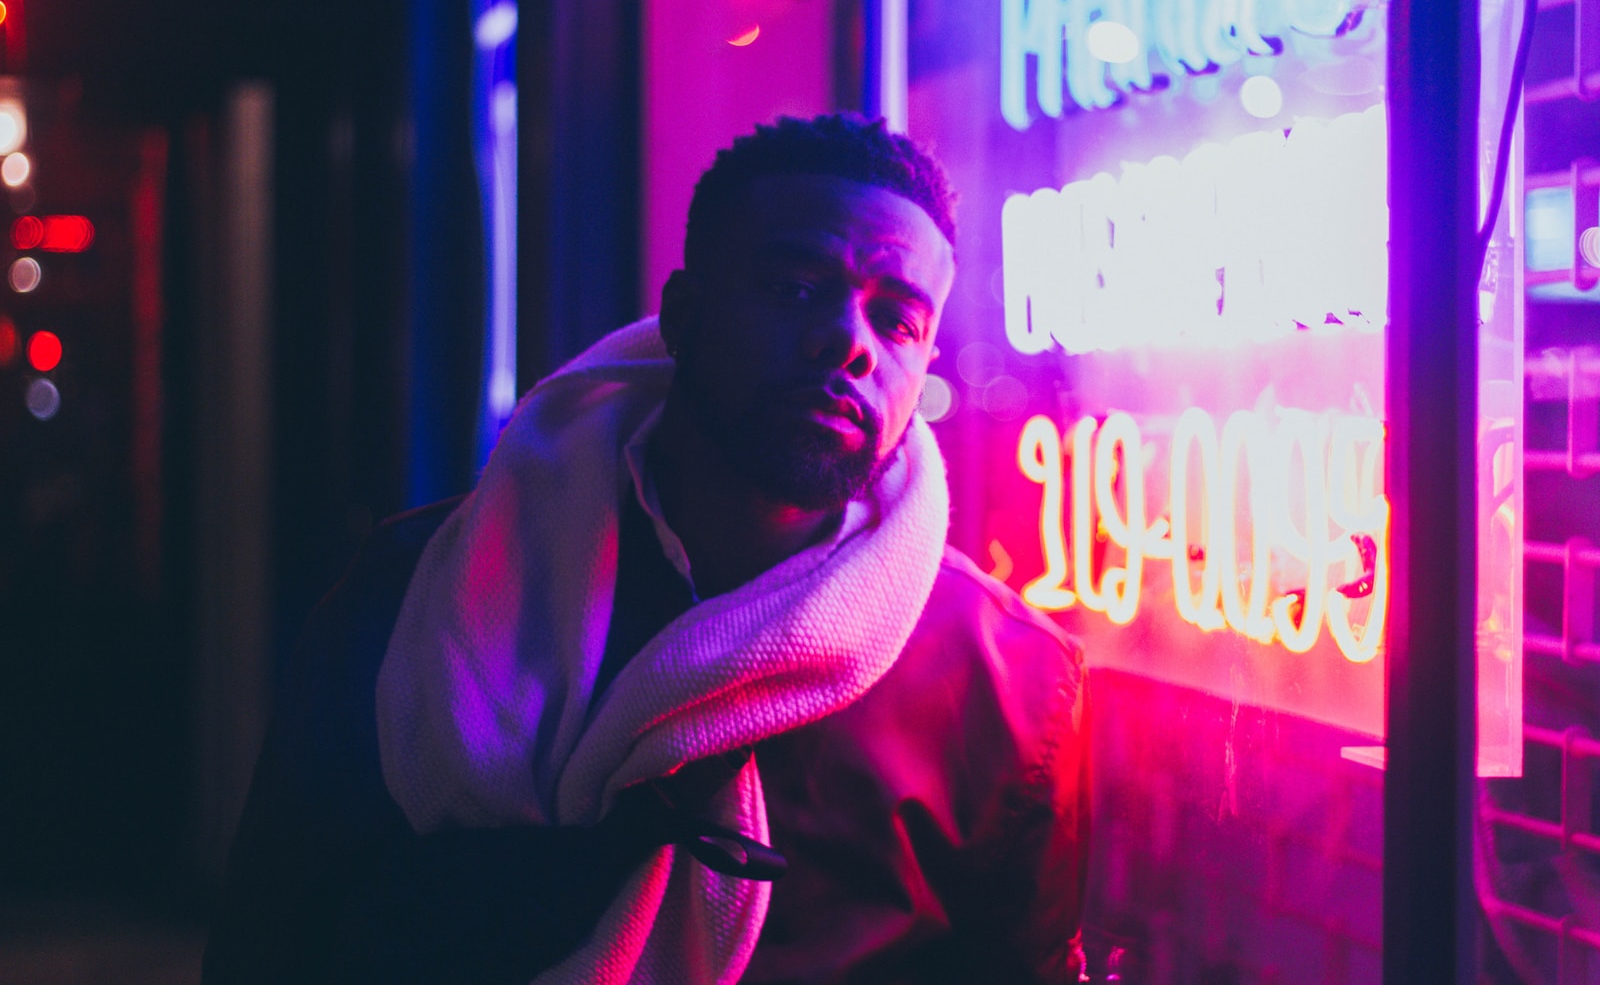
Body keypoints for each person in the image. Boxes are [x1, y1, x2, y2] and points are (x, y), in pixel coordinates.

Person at [203, 113, 1090, 984]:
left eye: (896, 321)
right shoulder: (416, 589)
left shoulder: (1004, 682)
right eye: (792, 287)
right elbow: (273, 933)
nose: (848, 343)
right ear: (683, 315)